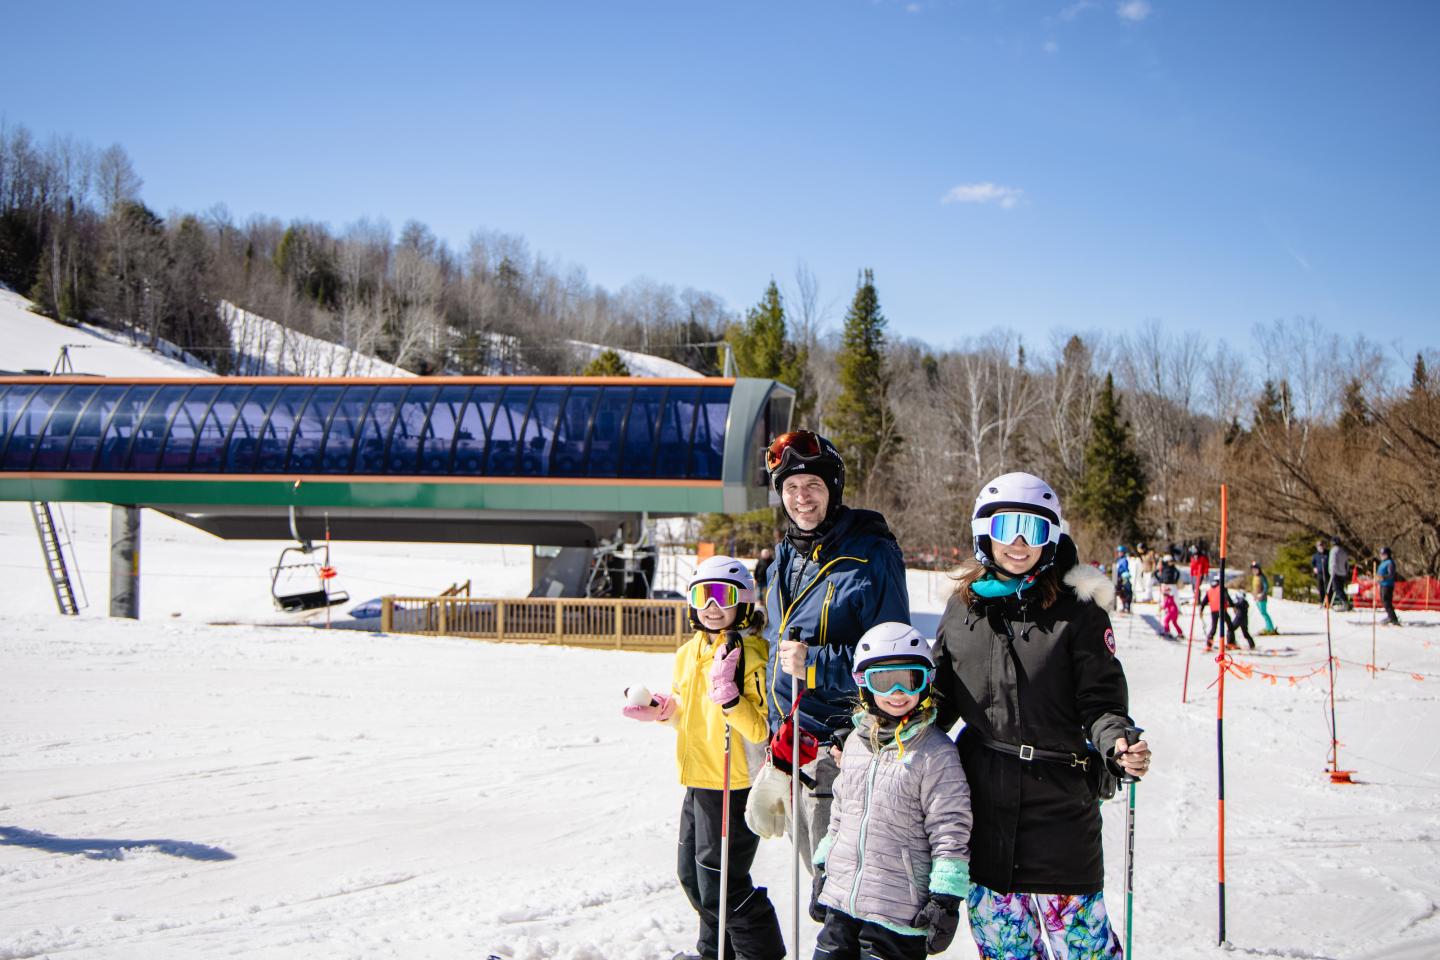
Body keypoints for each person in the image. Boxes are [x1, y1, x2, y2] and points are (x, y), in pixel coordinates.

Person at [934, 472, 1151, 960]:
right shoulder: (963, 609)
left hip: (1060, 808)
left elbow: (1102, 701)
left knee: (1085, 950)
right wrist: (883, 731)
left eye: (1031, 530)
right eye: (1005, 526)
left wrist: (1118, 743)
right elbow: (938, 703)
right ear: (983, 531)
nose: (1017, 543)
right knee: (1006, 950)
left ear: (1050, 538)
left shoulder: (1078, 611)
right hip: (985, 808)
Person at [622, 556, 786, 960]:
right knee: (692, 878)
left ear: (744, 601)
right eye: (702, 595)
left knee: (722, 885)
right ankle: (714, 953)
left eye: (722, 595)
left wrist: (730, 695)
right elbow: (688, 716)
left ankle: (758, 954)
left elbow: (760, 729)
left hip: (735, 782)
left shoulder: (752, 653)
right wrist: (663, 710)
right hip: (698, 779)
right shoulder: (687, 652)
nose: (711, 606)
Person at [761, 430, 911, 866]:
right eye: (790, 487)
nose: (801, 497)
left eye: (813, 486)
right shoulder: (784, 557)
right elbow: (778, 645)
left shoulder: (871, 556)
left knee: (840, 888)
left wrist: (815, 663)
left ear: (834, 490)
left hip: (841, 749)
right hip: (790, 747)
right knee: (817, 880)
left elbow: (894, 665)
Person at [809, 622, 973, 960]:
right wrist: (824, 867)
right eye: (884, 681)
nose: (898, 691)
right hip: (843, 904)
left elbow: (950, 829)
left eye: (910, 678)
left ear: (926, 683)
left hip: (897, 913)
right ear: (864, 685)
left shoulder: (936, 752)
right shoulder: (855, 743)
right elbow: (841, 813)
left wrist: (945, 897)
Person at [1204, 572, 1238, 651]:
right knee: (1230, 626)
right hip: (1222, 610)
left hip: (1213, 611)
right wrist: (1233, 606)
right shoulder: (1222, 588)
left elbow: (1205, 601)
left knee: (1213, 628)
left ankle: (1209, 645)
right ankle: (1230, 642)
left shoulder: (1210, 589)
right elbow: (1228, 598)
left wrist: (1201, 609)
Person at [1250, 561, 1277, 635]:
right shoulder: (1255, 577)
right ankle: (1268, 627)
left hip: (1262, 598)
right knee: (1262, 613)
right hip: (1257, 598)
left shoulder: (1262, 577)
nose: (1254, 571)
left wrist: (1261, 594)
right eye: (1253, 569)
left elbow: (1266, 587)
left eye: (1255, 569)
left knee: (1264, 612)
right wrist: (1254, 595)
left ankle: (1270, 628)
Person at [1378, 546, 1402, 626]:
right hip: (1382, 584)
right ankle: (1390, 616)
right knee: (1384, 601)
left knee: (1387, 602)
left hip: (1387, 585)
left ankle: (1393, 618)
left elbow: (1391, 574)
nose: (1381, 555)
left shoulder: (1390, 563)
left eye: (1383, 554)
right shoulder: (1383, 562)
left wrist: (1383, 577)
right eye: (1381, 554)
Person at [1328, 537, 1352, 612]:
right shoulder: (1343, 551)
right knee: (1341, 589)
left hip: (1336, 573)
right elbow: (1347, 563)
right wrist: (1346, 571)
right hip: (1343, 573)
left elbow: (1333, 562)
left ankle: (1345, 604)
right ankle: (1345, 603)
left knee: (1337, 589)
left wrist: (1332, 572)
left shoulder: (1334, 551)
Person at [1113, 545, 1133, 614]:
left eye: (1121, 552)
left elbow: (1125, 569)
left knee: (1126, 591)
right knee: (1120, 593)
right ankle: (1123, 606)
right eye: (1119, 552)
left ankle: (1127, 607)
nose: (1119, 553)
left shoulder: (1124, 560)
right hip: (1118, 578)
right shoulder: (1118, 560)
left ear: (1124, 553)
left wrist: (1124, 576)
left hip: (1124, 578)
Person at [1311, 539, 1331, 605]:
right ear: (1317, 547)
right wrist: (1314, 568)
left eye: (1322, 545)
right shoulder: (1315, 555)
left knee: (1328, 588)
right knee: (1321, 588)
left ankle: (1328, 602)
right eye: (1319, 546)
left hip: (1327, 573)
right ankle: (1322, 602)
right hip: (1320, 574)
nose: (1321, 547)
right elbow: (1313, 563)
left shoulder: (1328, 553)